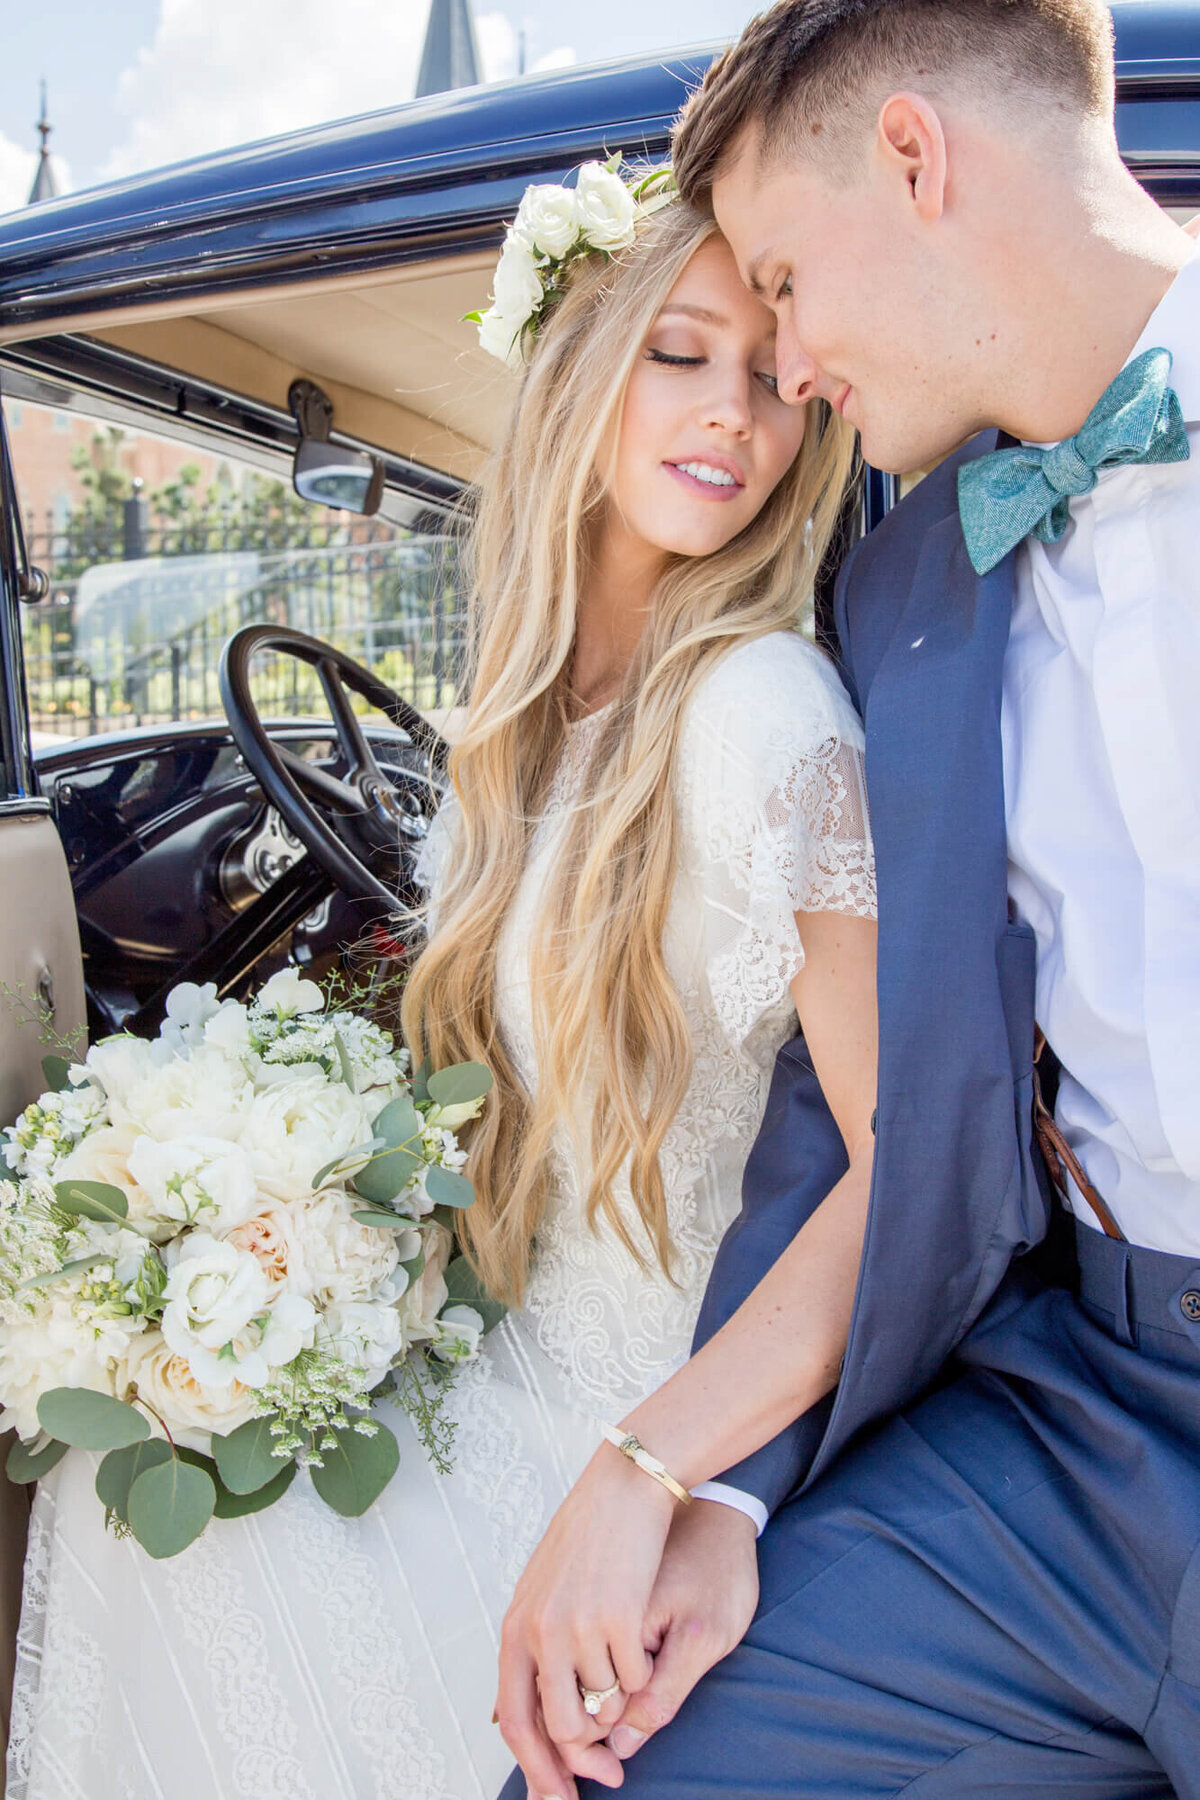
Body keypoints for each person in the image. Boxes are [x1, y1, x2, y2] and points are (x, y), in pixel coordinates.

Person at [7, 184, 877, 1800]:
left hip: (637, 1420)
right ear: (576, 376)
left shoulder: (768, 714)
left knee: (138, 1523)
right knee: (124, 1464)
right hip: (503, 1353)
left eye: (771, 375)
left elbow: (912, 1175)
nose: (731, 418)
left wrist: (653, 1469)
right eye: (680, 355)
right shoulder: (534, 722)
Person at [494, 4, 1200, 1798]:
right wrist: (710, 1480)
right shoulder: (900, 589)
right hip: (1076, 1416)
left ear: (916, 156)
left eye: (788, 284)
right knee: (596, 1765)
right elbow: (856, 1115)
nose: (784, 372)